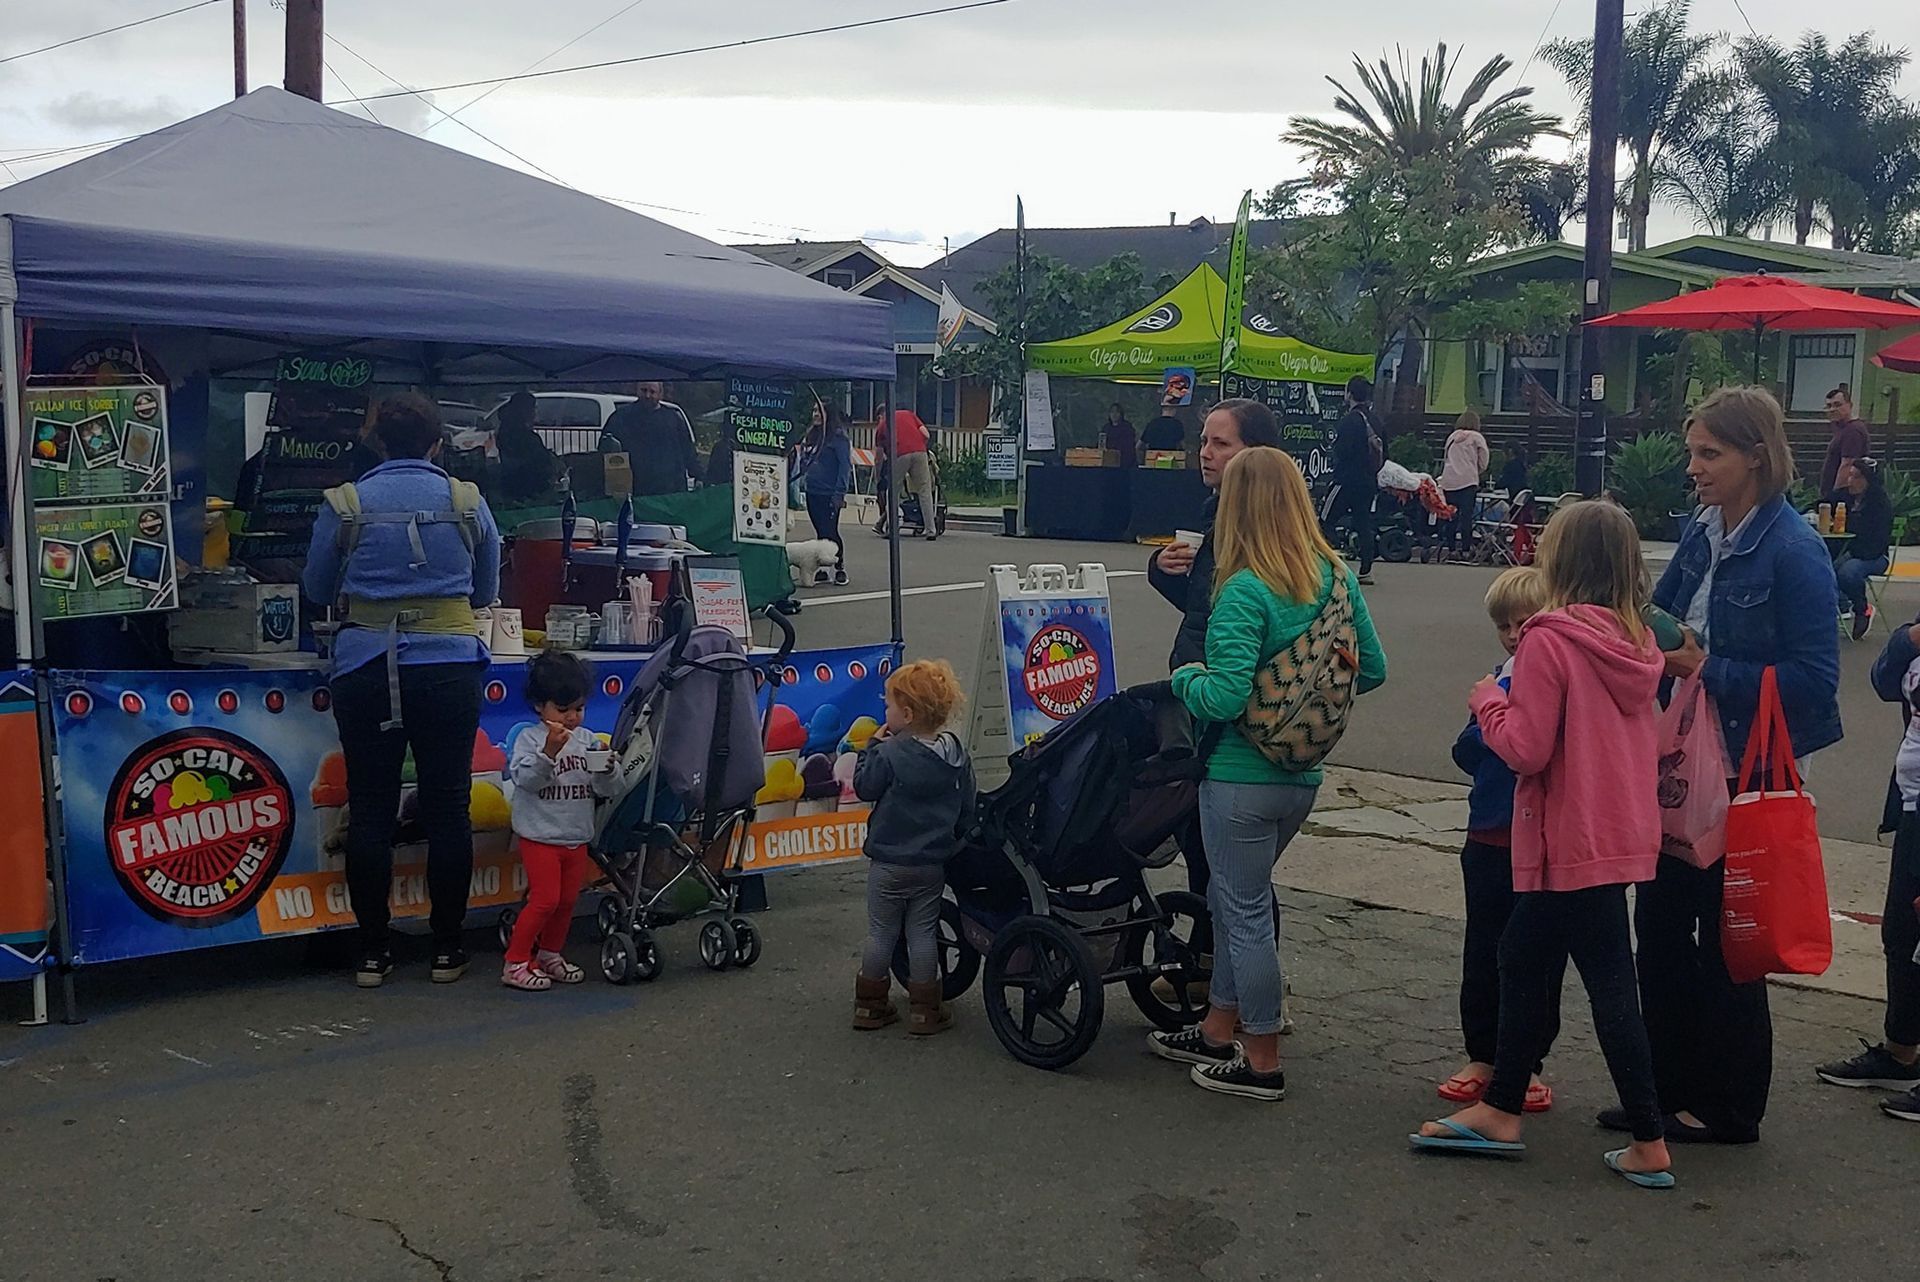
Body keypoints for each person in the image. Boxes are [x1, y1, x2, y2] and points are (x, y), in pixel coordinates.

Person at [1413, 501, 1672, 1189]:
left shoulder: (1549, 641)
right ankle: (1510, 1106)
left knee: (1570, 972)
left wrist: (1486, 703)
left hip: (1563, 836)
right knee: (1542, 962)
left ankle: (1639, 1133)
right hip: (1617, 832)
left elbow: (1526, 750)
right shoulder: (1639, 642)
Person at [1638, 386, 1841, 1144]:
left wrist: (1707, 666)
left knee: (1729, 941)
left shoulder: (1794, 550)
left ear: (1757, 457)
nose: (1693, 468)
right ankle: (1662, 1087)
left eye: (1708, 454)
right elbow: (1665, 612)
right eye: (1692, 451)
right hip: (1682, 762)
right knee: (1658, 932)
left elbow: (1815, 681)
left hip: (1747, 777)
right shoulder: (1702, 528)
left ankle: (1728, 1107)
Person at [1153, 447, 1387, 1100]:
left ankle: (1261, 1057)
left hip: (1236, 778)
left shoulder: (1244, 590)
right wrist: (1308, 699)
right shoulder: (1336, 578)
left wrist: (1185, 678)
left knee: (1245, 914)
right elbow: (1372, 669)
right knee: (1237, 907)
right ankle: (1216, 1029)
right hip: (1300, 779)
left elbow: (1224, 698)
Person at [303, 393, 503, 989]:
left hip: (364, 664)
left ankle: (372, 953)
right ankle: (446, 949)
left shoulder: (346, 503)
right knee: (447, 806)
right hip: (447, 665)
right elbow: (486, 588)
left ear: (377, 443)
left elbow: (316, 586)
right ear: (438, 443)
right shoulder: (467, 501)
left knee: (370, 807)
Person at [1145, 399, 1284, 1009]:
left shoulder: (1255, 535)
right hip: (1217, 705)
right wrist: (1164, 571)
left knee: (1226, 864)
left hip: (1222, 713)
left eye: (1220, 444)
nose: (1205, 452)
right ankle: (1216, 972)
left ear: (1253, 454)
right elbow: (1208, 613)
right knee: (1223, 862)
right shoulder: (1215, 515)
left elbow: (1243, 626)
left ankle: (1238, 1001)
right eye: (1204, 441)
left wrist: (1189, 682)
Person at [1437, 566, 1563, 1115]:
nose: (1514, 635)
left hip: (1540, 837)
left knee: (1537, 955)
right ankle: (1483, 1053)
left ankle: (1528, 1060)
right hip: (1488, 830)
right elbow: (1466, 748)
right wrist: (1494, 722)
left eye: (1524, 623)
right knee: (1483, 948)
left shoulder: (1555, 679)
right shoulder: (1499, 678)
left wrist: (1498, 724)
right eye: (1504, 626)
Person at [1816, 615, 1920, 1122]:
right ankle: (1902, 1054)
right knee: (1902, 933)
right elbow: (1882, 681)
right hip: (1913, 803)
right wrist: (1910, 638)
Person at [851, 660, 974, 1036]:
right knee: (922, 932)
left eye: (888, 705)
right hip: (931, 863)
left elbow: (865, 787)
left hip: (888, 860)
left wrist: (871, 747)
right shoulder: (955, 756)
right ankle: (925, 1009)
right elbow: (969, 803)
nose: (884, 712)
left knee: (881, 932)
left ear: (905, 714)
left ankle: (870, 1006)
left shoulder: (889, 754)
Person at [502, 651, 620, 991]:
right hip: (540, 835)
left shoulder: (587, 741)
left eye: (578, 709)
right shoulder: (529, 740)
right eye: (562, 709)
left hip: (576, 834)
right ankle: (516, 961)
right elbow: (527, 780)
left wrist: (609, 769)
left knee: (568, 900)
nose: (571, 718)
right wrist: (549, 753)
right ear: (540, 706)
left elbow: (606, 788)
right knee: (544, 900)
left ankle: (551, 954)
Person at [1319, 375, 1381, 586]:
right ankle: (1366, 569)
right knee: (1363, 523)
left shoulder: (1348, 421)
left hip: (1345, 481)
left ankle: (1329, 563)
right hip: (1368, 482)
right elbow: (1385, 455)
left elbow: (1341, 451)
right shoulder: (1376, 421)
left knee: (1325, 521)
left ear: (1350, 394)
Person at [599, 381, 700, 496]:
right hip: (636, 489)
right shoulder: (621, 417)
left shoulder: (673, 419)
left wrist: (698, 475)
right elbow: (606, 447)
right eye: (644, 390)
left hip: (670, 488)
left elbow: (688, 450)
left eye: (652, 392)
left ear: (660, 394)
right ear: (637, 390)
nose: (647, 395)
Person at [1835, 457, 1893, 640]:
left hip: (1874, 556)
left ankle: (1862, 609)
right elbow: (1821, 504)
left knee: (1847, 572)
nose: (1850, 481)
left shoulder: (1880, 505)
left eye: (1857, 477)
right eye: (1850, 476)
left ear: (1869, 480)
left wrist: (1851, 553)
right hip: (1847, 552)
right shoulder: (1843, 496)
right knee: (1820, 567)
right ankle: (1837, 607)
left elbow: (1877, 543)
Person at [801, 400, 854, 585]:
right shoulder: (811, 435)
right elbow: (804, 460)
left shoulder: (838, 438)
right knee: (820, 530)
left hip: (829, 493)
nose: (815, 414)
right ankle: (823, 567)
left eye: (819, 411)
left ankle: (839, 566)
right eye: (814, 410)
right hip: (812, 490)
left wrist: (840, 492)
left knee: (830, 530)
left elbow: (844, 466)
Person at [874, 407, 939, 541]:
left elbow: (879, 456)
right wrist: (920, 446)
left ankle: (892, 527)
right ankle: (930, 529)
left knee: (892, 492)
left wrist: (878, 474)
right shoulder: (909, 414)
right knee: (924, 491)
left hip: (899, 454)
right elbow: (926, 434)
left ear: (882, 414)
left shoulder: (883, 424)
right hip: (920, 452)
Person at [1438, 411, 1490, 561]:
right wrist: (1477, 470)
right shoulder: (1476, 438)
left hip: (1449, 481)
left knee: (1451, 516)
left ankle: (1452, 549)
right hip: (1468, 481)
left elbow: (1445, 457)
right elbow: (1484, 460)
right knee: (1466, 517)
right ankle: (1466, 550)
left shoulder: (1452, 437)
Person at [492, 391, 561, 503]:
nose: (535, 412)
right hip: (528, 489)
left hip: (512, 487)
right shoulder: (525, 437)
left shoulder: (504, 432)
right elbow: (538, 463)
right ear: (523, 411)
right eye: (533, 408)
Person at [1820, 385, 1872, 501]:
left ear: (1850, 405)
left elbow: (1847, 465)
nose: (1832, 409)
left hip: (1844, 496)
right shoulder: (1842, 429)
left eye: (1838, 405)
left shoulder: (1853, 431)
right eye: (1829, 406)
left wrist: (1834, 497)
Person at [1104, 402, 1139, 468]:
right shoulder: (1106, 428)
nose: (1114, 414)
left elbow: (1128, 447)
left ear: (1121, 414)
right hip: (1108, 463)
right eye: (1112, 412)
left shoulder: (1127, 428)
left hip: (1124, 463)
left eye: (1117, 412)